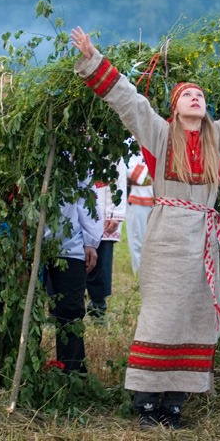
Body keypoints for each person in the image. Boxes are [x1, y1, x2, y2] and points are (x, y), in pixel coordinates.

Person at [71, 26, 220, 429]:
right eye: (186, 95)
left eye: (199, 95)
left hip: (203, 237)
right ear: (175, 108)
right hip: (166, 236)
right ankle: (146, 401)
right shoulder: (160, 136)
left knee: (196, 315)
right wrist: (94, 59)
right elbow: (128, 101)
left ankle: (175, 402)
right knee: (161, 314)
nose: (195, 98)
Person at [44, 181, 103, 372]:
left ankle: (72, 373)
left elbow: (86, 196)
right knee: (28, 309)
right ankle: (25, 372)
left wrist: (90, 241)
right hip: (30, 242)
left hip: (70, 243)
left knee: (70, 309)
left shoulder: (74, 155)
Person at [86, 159, 127, 319]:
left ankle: (97, 307)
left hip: (104, 209)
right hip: (78, 209)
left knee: (101, 262)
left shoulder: (111, 148)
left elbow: (120, 180)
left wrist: (115, 214)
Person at [125, 145, 154, 274]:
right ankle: (139, 272)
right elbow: (127, 168)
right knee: (138, 239)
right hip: (138, 197)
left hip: (160, 197)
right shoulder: (130, 143)